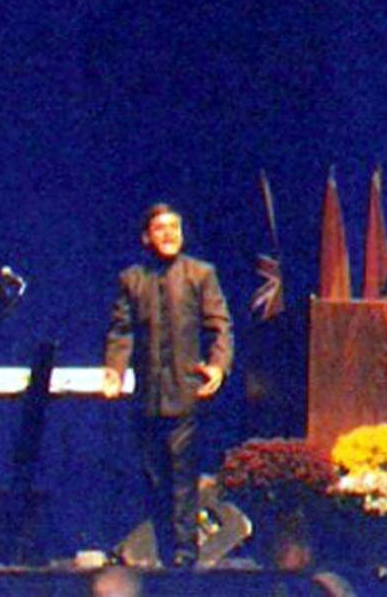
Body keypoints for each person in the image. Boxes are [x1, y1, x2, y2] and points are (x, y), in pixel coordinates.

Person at [104, 202, 233, 568]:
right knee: (154, 477)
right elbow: (121, 330)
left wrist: (218, 366)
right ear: (147, 236)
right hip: (147, 395)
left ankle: (184, 555)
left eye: (174, 228)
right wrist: (114, 369)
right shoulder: (132, 278)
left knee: (181, 475)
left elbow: (220, 326)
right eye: (160, 229)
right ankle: (163, 551)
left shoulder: (200, 274)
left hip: (185, 394)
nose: (168, 235)